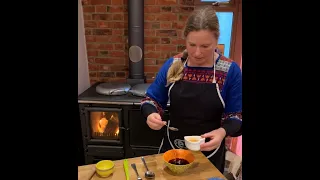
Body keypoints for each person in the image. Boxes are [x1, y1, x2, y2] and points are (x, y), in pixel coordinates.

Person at [140, 5, 242, 173]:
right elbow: (151, 100)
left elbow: (236, 116)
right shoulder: (174, 64)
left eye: (205, 46)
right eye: (192, 44)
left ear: (217, 41)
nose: (197, 53)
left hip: (210, 153)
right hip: (173, 149)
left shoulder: (229, 71)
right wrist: (150, 113)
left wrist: (223, 132)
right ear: (185, 39)